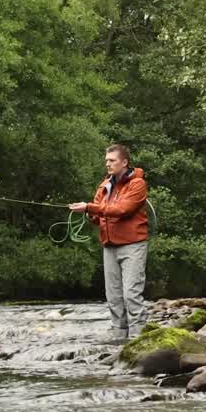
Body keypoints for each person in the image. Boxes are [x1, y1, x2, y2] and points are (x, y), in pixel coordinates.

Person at [69, 144, 149, 340]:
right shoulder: (104, 185)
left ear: (124, 162)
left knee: (131, 295)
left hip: (133, 245)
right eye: (106, 160)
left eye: (112, 160)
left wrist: (90, 207)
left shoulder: (137, 184)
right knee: (114, 298)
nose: (108, 164)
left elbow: (123, 210)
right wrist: (90, 213)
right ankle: (119, 339)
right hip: (109, 246)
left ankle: (138, 340)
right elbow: (98, 214)